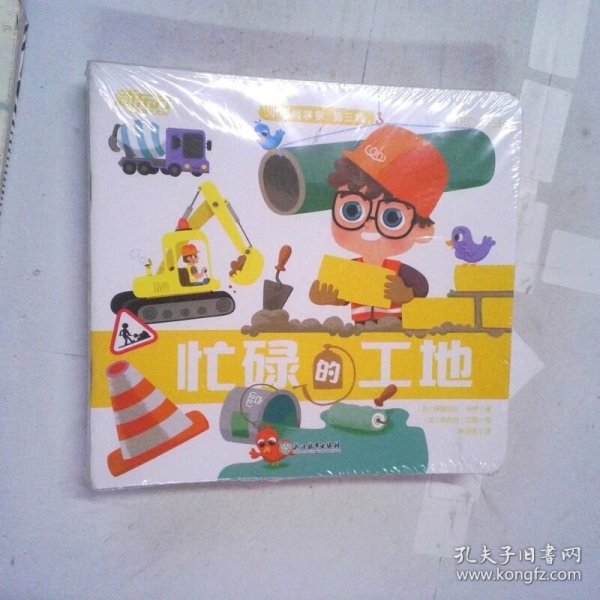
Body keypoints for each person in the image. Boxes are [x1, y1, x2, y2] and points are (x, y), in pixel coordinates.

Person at [309, 125, 448, 323]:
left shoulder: (399, 271)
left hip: (395, 328)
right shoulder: (351, 270)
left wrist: (407, 294)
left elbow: (421, 286)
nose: (369, 225)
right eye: (352, 210)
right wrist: (327, 296)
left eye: (392, 218)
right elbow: (340, 295)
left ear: (421, 231)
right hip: (359, 330)